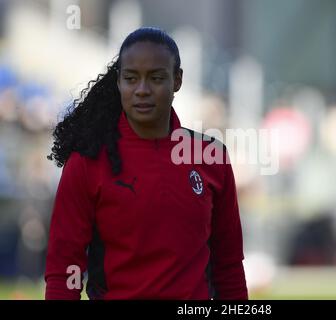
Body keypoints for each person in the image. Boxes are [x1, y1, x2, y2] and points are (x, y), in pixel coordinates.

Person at [45, 27, 248, 300]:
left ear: (177, 81)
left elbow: (229, 265)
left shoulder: (211, 156)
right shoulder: (86, 162)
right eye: (131, 78)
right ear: (118, 82)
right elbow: (64, 267)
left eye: (156, 78)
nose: (142, 90)